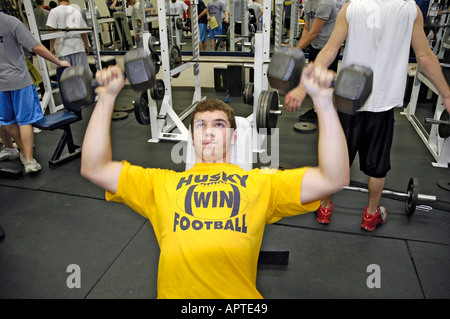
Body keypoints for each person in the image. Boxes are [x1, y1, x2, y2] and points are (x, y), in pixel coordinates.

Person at [80, 62, 349, 298]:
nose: (208, 131)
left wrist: (324, 103)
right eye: (200, 125)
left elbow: (333, 178)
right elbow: (95, 167)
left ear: (234, 137)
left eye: (219, 124)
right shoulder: (160, 183)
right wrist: (105, 98)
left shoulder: (262, 183)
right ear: (192, 137)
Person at [284, 0, 450, 231]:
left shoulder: (352, 7)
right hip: (382, 102)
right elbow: (424, 57)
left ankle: (325, 206)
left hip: (349, 97)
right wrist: (447, 94)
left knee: (337, 158)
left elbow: (330, 51)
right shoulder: (410, 9)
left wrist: (303, 87)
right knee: (377, 166)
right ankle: (371, 214)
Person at [0, 8, 70, 173]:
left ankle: (22, 153)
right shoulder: (11, 22)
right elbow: (36, 47)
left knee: (9, 121)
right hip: (19, 81)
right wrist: (58, 62)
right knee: (24, 121)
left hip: (2, 83)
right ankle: (29, 161)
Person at [295, 0, 339, 122]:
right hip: (315, 46)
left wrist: (297, 49)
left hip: (328, 48)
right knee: (315, 79)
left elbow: (314, 32)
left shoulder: (325, 3)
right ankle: (316, 110)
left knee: (326, 81)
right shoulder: (309, 3)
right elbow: (306, 29)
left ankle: (327, 113)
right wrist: (298, 49)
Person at [46, 0, 90, 71]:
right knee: (83, 76)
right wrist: (86, 45)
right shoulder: (76, 12)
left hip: (64, 50)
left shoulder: (54, 12)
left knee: (68, 78)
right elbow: (83, 31)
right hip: (78, 48)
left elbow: (52, 30)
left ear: (57, 0)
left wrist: (51, 47)